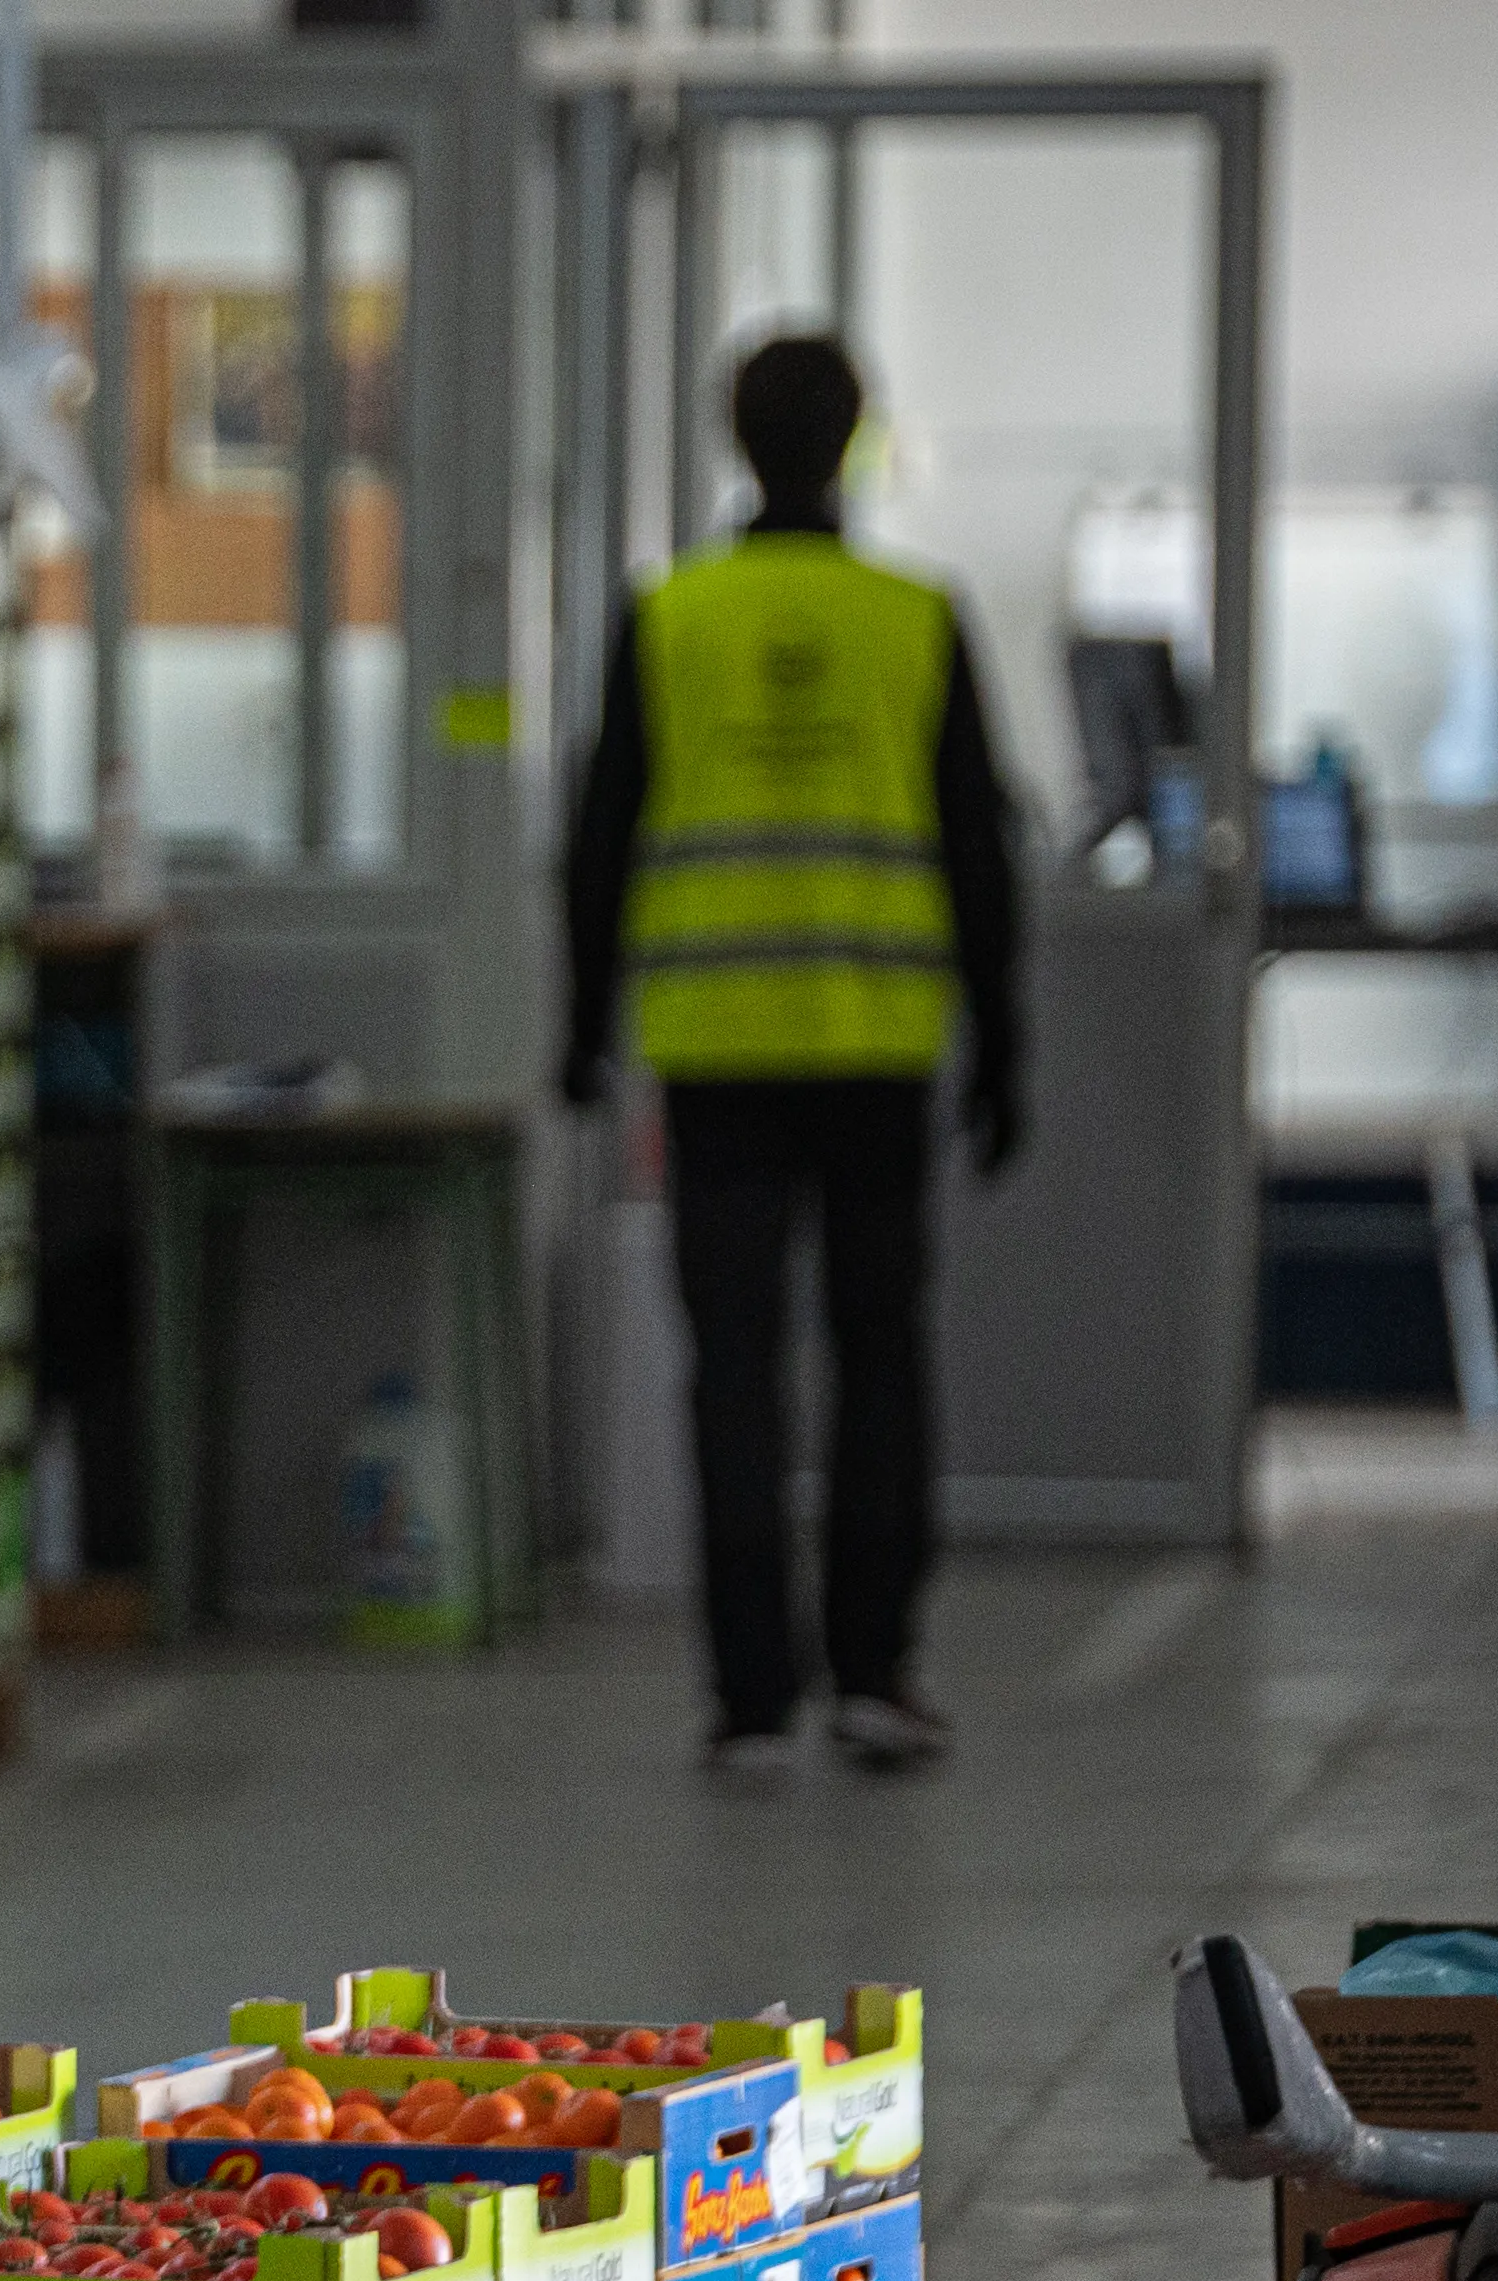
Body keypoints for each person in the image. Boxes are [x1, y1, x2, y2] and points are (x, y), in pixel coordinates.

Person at [559, 329, 1028, 1782]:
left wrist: (580, 1029)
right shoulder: (919, 616)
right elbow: (978, 849)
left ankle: (753, 1694)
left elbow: (598, 841)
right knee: (882, 1358)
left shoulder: (671, 616)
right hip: (880, 1051)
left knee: (736, 1371)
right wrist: (1006, 1044)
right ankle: (878, 1674)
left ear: (732, 437)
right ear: (856, 436)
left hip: (716, 1056)